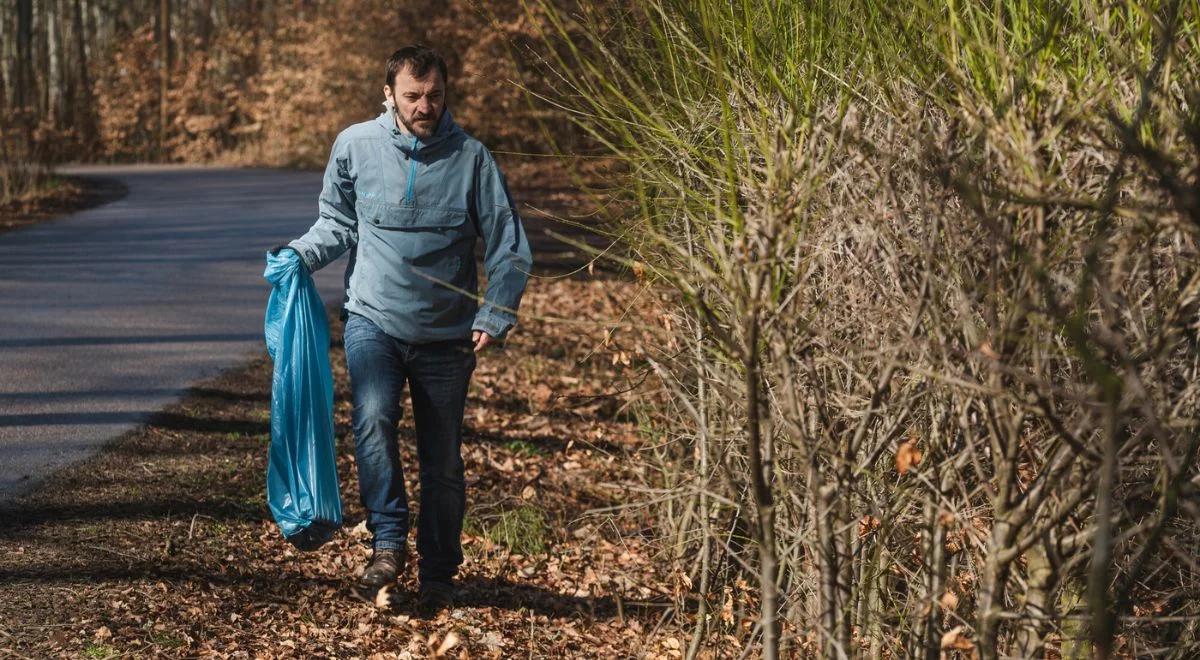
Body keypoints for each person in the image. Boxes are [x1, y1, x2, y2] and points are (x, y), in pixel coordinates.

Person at [273, 45, 531, 611]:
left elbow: (509, 246)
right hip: (374, 319)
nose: (425, 106)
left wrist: (497, 312)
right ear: (388, 93)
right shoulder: (355, 146)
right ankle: (387, 542)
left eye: (435, 95)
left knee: (442, 461)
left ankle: (439, 573)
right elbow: (336, 223)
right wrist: (297, 256)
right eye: (413, 96)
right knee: (371, 418)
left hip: (447, 335)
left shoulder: (472, 159)